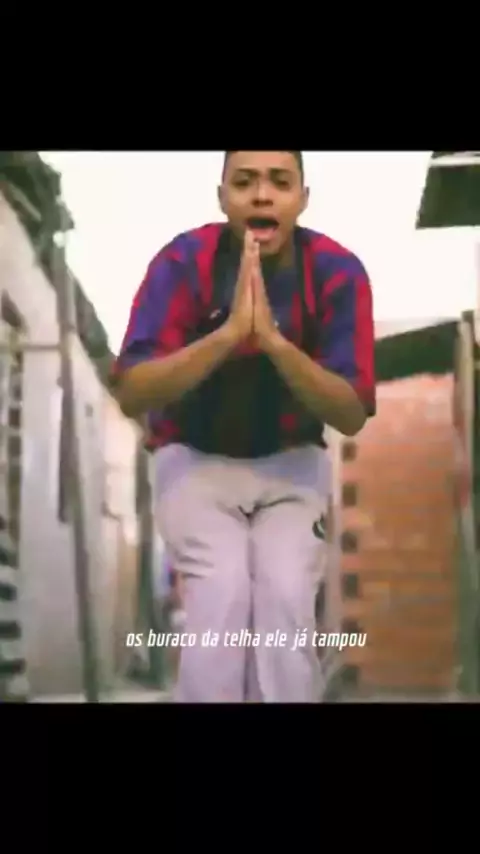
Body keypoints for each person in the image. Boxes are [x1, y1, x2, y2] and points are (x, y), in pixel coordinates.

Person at [112, 151, 375, 703]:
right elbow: (132, 390)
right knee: (221, 594)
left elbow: (351, 412)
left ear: (303, 199)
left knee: (285, 597)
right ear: (222, 197)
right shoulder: (183, 263)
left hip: (291, 465)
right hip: (194, 459)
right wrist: (229, 335)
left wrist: (275, 343)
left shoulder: (336, 271)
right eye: (244, 182)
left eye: (280, 182)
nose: (261, 195)